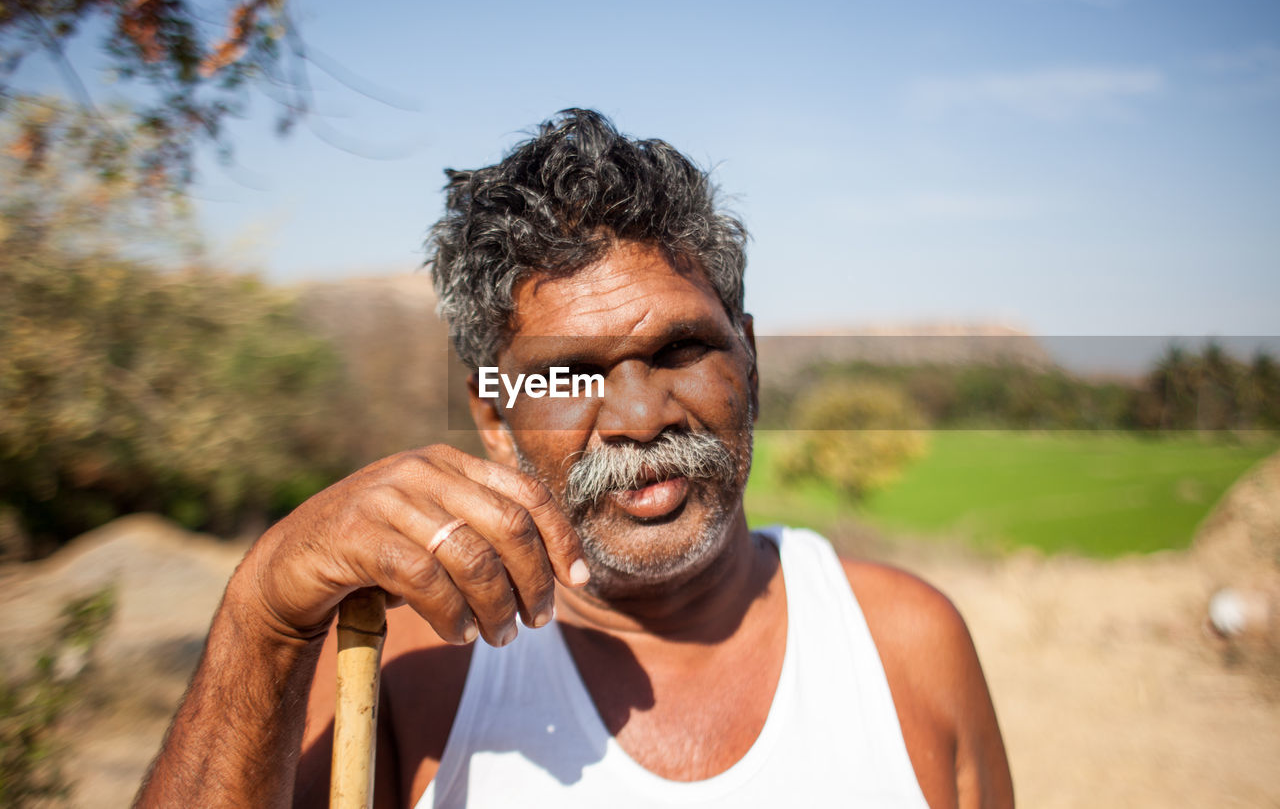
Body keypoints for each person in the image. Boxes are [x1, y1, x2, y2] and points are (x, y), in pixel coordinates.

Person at [136, 109, 1014, 808]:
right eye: (566, 372)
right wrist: (263, 619)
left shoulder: (902, 644)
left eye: (681, 350)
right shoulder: (404, 663)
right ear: (492, 411)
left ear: (750, 361)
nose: (640, 417)